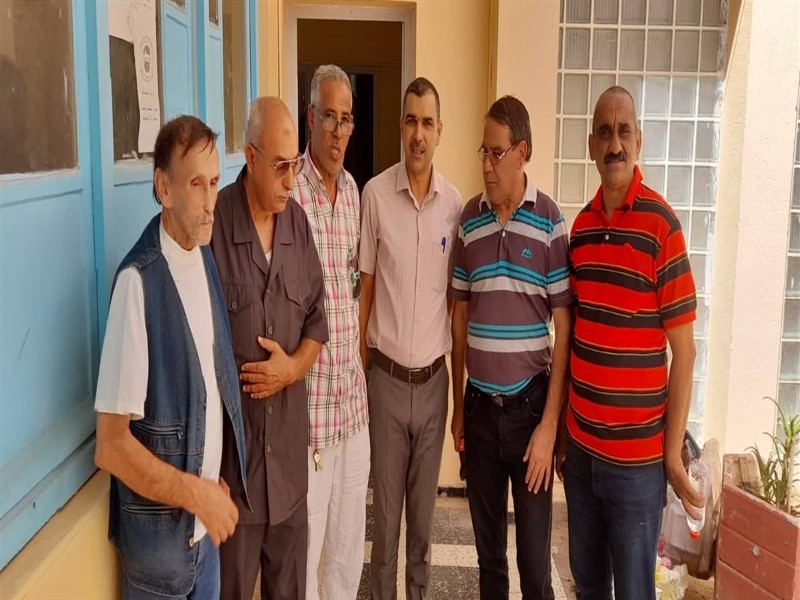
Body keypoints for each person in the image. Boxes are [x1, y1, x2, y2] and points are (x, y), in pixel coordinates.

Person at [559, 86, 705, 600]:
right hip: (582, 458)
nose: (615, 144)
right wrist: (564, 436)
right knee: (589, 587)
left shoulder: (662, 227)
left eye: (624, 132)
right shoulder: (579, 232)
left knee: (635, 593)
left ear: (638, 141)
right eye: (605, 133)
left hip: (638, 469)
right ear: (591, 146)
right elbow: (576, 338)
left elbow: (685, 352)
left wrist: (672, 457)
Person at [94, 115, 247, 600]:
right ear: (163, 187)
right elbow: (110, 445)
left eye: (215, 183)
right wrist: (197, 493)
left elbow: (205, 385)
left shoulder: (202, 256)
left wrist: (215, 481)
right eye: (196, 184)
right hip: (160, 563)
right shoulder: (137, 284)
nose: (210, 202)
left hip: (204, 545)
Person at [450, 95, 572, 600]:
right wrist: (458, 408)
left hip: (529, 416)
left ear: (522, 152)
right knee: (489, 562)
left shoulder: (549, 223)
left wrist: (549, 426)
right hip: (479, 413)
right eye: (483, 150)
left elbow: (564, 327)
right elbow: (459, 317)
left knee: (534, 567)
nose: (486, 163)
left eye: (496, 152)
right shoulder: (469, 221)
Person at [212, 97, 329, 600]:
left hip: (287, 479)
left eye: (295, 164)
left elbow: (318, 322)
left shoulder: (298, 225)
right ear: (250, 156)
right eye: (280, 166)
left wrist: (292, 370)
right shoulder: (214, 226)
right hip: (233, 478)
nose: (290, 180)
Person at [359, 77, 462, 599]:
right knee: (385, 531)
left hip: (434, 385)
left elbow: (455, 302)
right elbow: (365, 294)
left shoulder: (455, 206)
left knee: (422, 529)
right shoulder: (375, 196)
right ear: (401, 127)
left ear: (440, 130)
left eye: (427, 123)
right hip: (387, 384)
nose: (418, 134)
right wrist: (363, 377)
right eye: (410, 121)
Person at [293, 64, 370, 600]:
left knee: (345, 555)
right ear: (310, 117)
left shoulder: (353, 192)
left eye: (346, 120)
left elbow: (351, 289)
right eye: (329, 118)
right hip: (309, 417)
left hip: (352, 410)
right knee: (304, 557)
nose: (339, 132)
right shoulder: (289, 193)